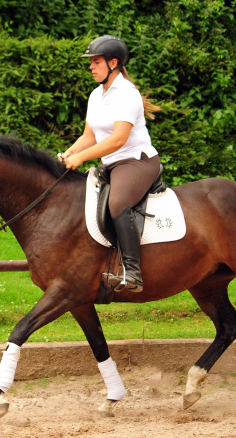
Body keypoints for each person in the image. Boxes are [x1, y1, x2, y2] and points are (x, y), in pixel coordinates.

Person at [59, 35, 161, 293]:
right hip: (113, 164)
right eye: (90, 62)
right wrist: (68, 152)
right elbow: (89, 136)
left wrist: (82, 158)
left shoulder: (127, 94)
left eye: (96, 62)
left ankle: (133, 273)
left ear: (113, 62)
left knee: (117, 203)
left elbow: (118, 140)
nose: (91, 67)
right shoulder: (96, 94)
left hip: (137, 162)